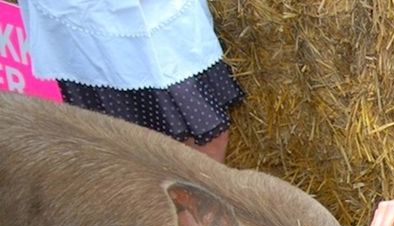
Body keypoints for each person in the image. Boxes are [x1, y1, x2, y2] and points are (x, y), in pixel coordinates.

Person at [20, 0, 244, 163]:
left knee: (207, 136)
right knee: (132, 150)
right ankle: (168, 223)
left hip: (163, 15)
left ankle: (194, 219)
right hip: (90, 21)